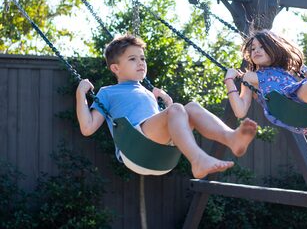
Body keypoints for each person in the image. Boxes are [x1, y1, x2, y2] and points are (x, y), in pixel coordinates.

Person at [76, 34, 257, 179]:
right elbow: (87, 127)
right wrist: (81, 94)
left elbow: (164, 124)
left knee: (191, 107)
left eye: (142, 58)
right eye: (132, 59)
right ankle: (198, 159)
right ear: (115, 68)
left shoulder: (148, 93)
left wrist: (168, 105)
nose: (141, 63)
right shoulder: (108, 92)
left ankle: (231, 138)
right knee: (178, 109)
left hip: (160, 154)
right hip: (134, 149)